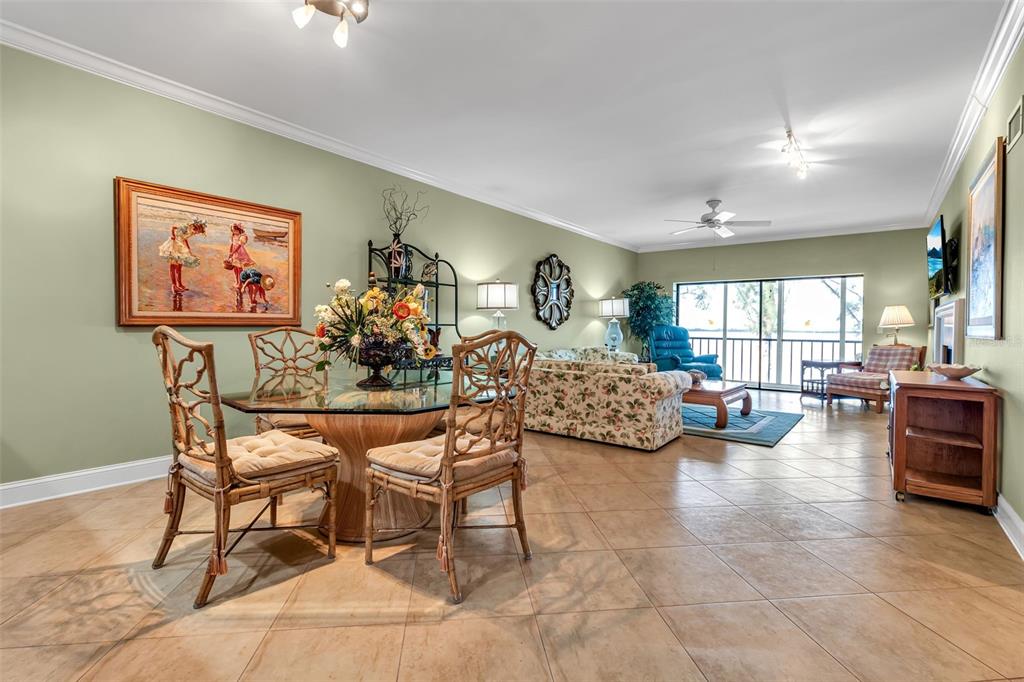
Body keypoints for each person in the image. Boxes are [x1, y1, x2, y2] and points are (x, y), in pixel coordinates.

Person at [158, 217, 207, 293]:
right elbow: (173, 228)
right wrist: (173, 235)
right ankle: (174, 285)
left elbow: (185, 237)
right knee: (174, 265)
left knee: (179, 265)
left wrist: (188, 247)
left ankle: (179, 284)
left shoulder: (193, 231)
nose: (198, 233)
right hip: (175, 244)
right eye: (199, 231)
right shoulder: (187, 226)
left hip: (181, 244)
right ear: (197, 227)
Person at [226, 223, 256, 290]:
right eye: (232, 231)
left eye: (235, 230)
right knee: (235, 268)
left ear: (239, 229)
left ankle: (240, 283)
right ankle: (236, 281)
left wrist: (233, 252)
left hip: (240, 253)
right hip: (234, 253)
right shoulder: (233, 236)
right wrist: (230, 253)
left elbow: (239, 246)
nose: (233, 232)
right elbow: (232, 244)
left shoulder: (242, 236)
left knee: (239, 268)